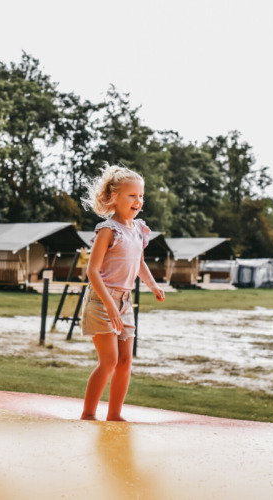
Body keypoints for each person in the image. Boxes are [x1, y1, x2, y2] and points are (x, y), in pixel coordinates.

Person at [80, 164, 165, 421]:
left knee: (125, 362)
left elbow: (139, 263)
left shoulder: (138, 229)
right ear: (114, 197)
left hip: (125, 301)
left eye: (141, 196)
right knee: (109, 361)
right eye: (132, 195)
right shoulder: (108, 230)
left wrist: (153, 285)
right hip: (102, 300)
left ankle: (114, 415)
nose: (138, 201)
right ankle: (88, 414)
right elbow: (92, 271)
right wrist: (109, 305)